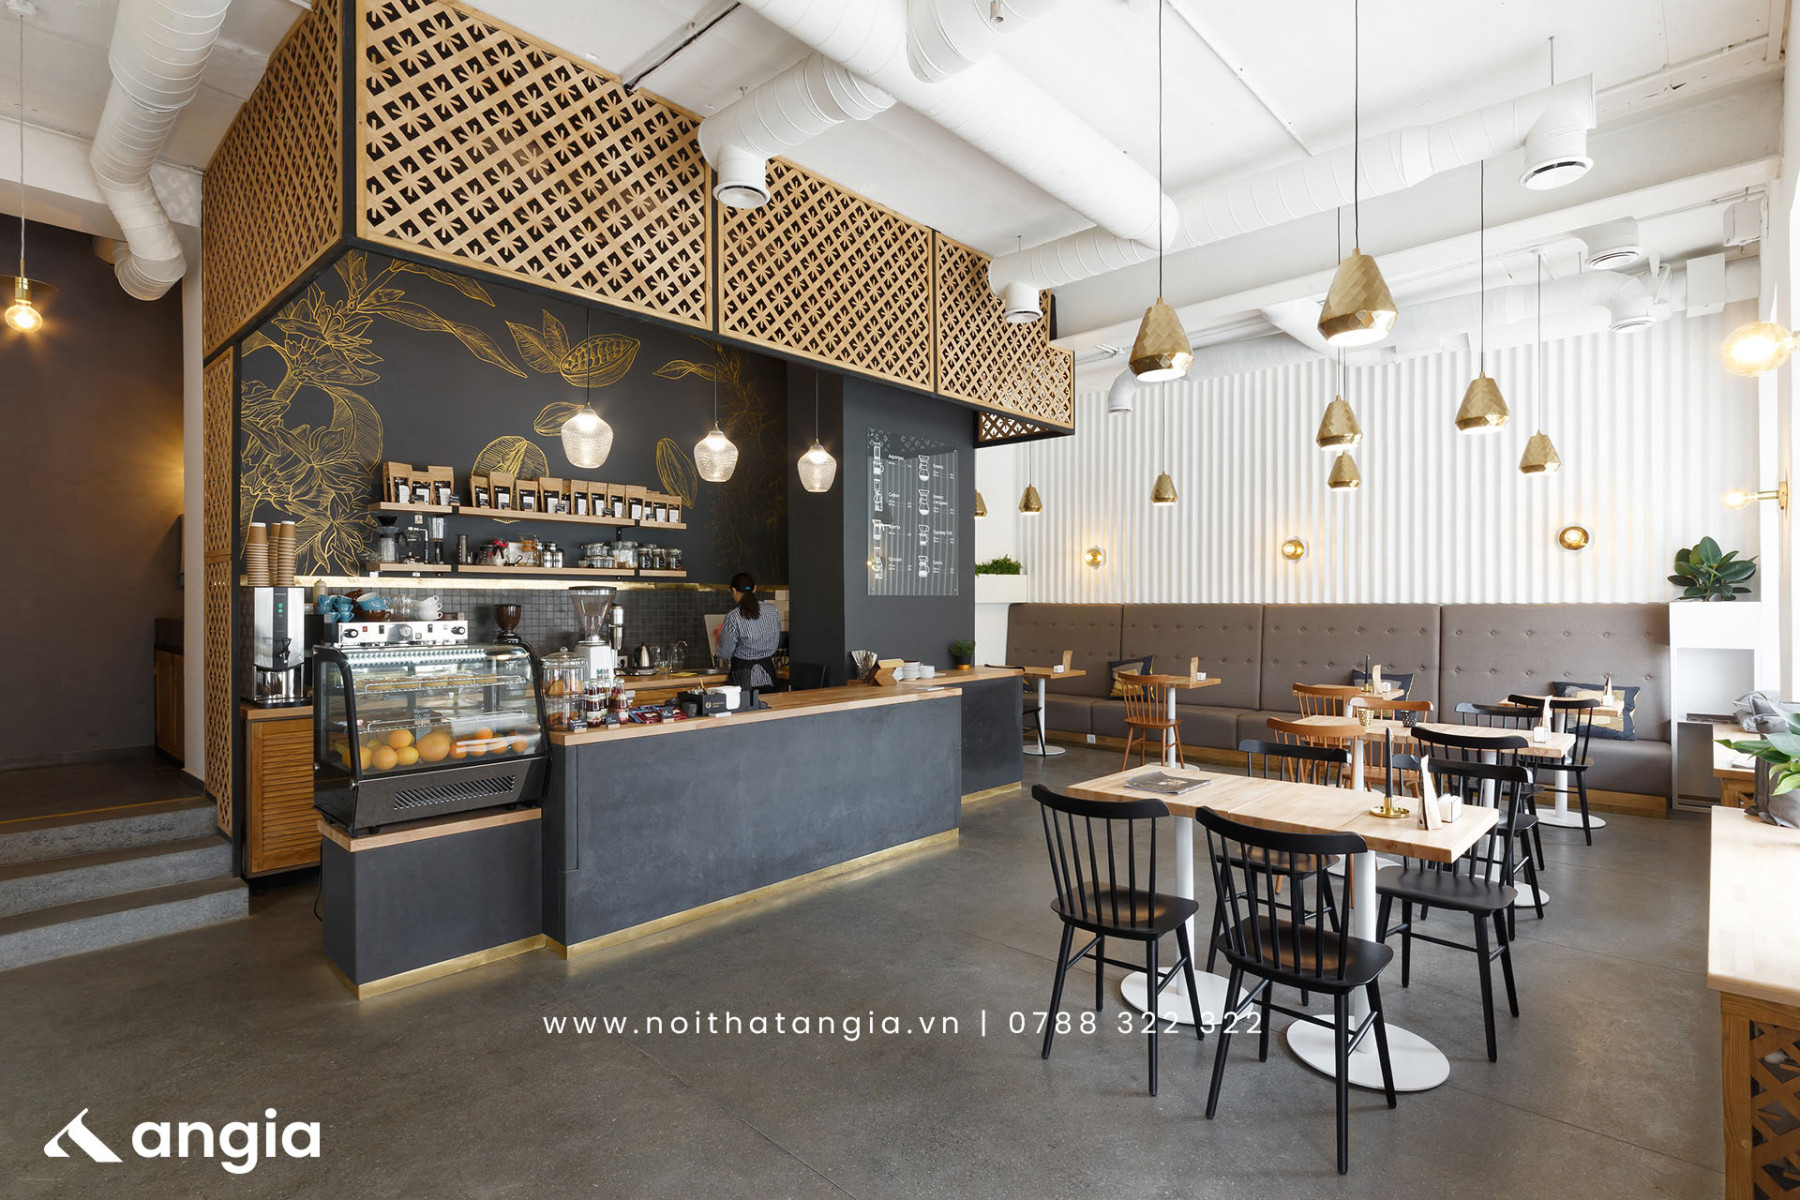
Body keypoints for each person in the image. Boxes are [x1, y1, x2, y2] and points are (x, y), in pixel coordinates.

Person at [716, 572, 782, 695]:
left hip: (742, 678)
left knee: (744, 707)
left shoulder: (733, 616)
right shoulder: (772, 610)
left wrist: (720, 637)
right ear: (754, 589)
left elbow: (725, 653)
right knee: (769, 706)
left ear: (734, 590)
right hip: (768, 675)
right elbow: (777, 640)